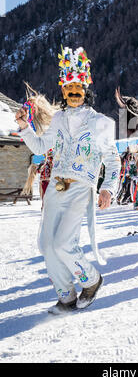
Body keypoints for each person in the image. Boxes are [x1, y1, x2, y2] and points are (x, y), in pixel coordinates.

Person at [15, 46, 121, 314]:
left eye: (78, 87)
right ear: (62, 91)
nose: (74, 92)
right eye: (69, 87)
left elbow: (113, 160)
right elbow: (40, 148)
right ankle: (66, 296)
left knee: (64, 243)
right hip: (54, 188)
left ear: (86, 89)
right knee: (46, 244)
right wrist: (24, 127)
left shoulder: (100, 123)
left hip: (80, 189)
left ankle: (92, 280)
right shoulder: (59, 119)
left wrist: (107, 188)